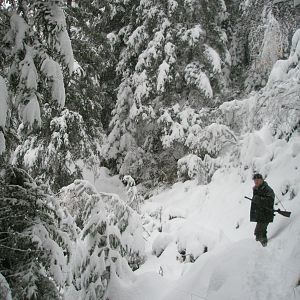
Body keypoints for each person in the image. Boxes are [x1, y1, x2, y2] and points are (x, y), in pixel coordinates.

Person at [250, 173, 275, 247]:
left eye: (257, 180)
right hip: (260, 214)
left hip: (266, 213)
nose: (256, 182)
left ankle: (263, 247)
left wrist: (259, 199)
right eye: (255, 180)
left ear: (262, 180)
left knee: (260, 232)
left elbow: (270, 200)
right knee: (258, 232)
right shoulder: (257, 188)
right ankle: (260, 248)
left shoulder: (267, 189)